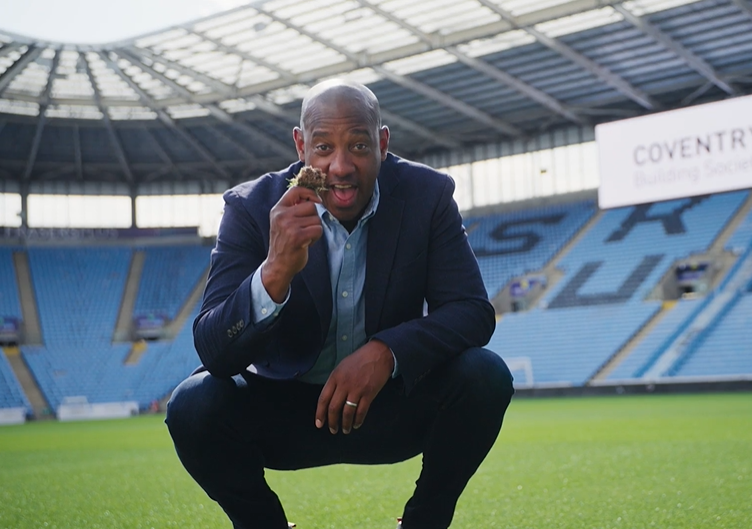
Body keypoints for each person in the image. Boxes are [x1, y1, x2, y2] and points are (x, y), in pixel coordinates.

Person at [165, 79, 514, 529]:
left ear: (383, 143)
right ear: (300, 145)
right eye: (324, 147)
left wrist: (386, 353)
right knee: (192, 406)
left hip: (387, 407)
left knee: (485, 376)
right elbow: (214, 350)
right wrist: (273, 273)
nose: (341, 166)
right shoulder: (251, 208)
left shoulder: (427, 196)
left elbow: (471, 311)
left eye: (359, 145)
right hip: (284, 413)